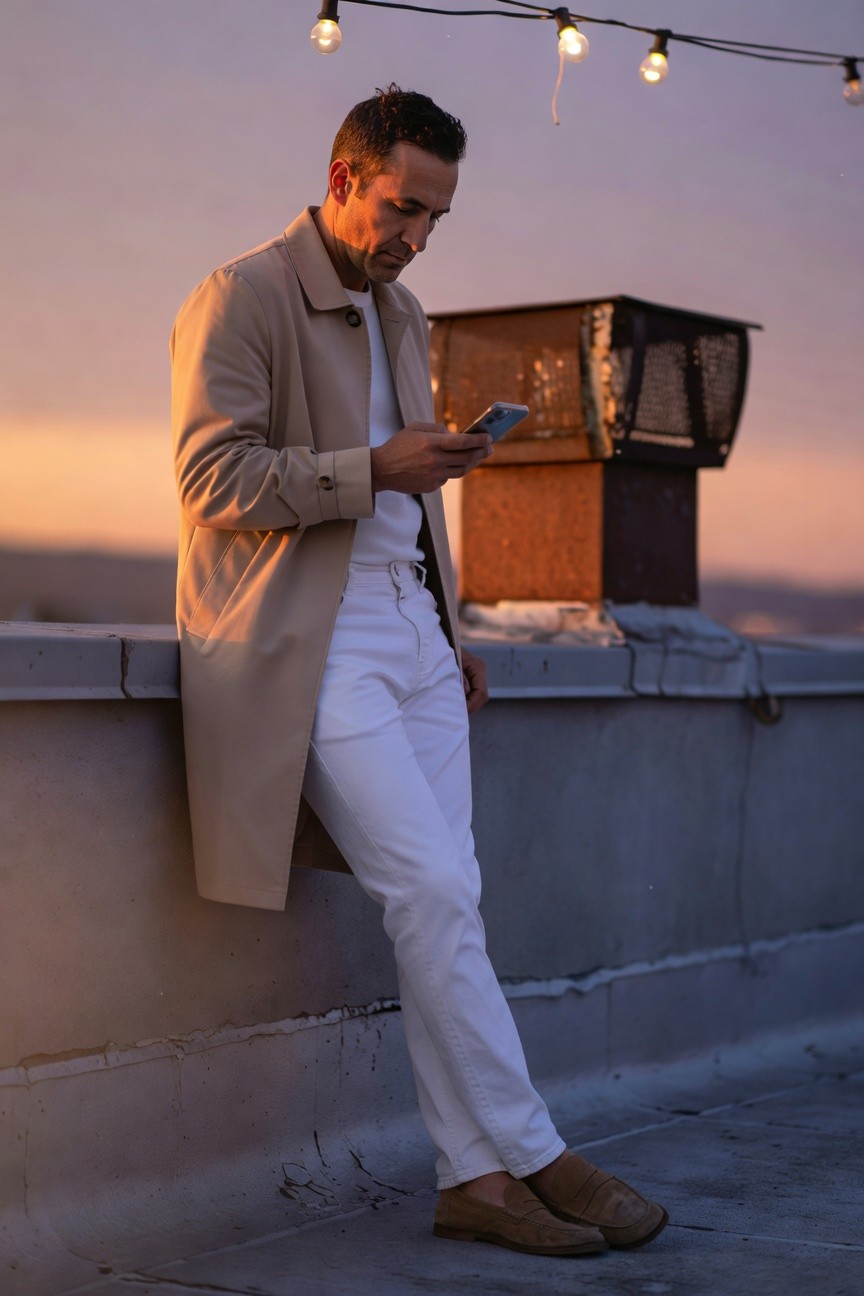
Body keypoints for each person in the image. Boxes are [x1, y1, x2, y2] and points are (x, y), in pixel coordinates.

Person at [170, 85, 667, 1258]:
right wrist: (370, 467)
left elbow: (406, 500)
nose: (417, 238)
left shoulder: (403, 309)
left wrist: (447, 624)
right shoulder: (240, 294)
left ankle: (472, 1184)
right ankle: (537, 1150)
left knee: (455, 905)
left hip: (412, 638)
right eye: (402, 208)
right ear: (343, 178)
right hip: (313, 639)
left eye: (437, 217)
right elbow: (210, 481)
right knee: (432, 896)